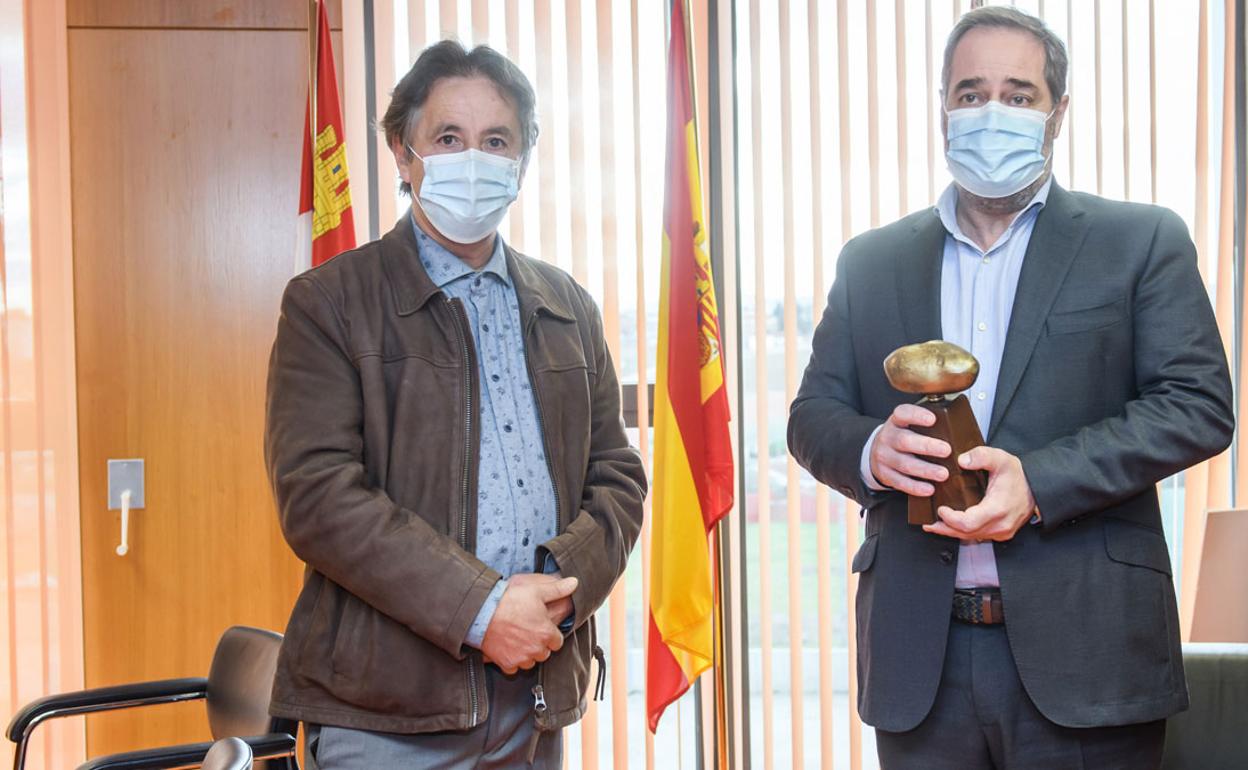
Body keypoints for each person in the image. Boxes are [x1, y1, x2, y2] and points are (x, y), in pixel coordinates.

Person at [788, 7, 1233, 769]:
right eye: (970, 92)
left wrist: (1039, 483)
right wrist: (869, 450)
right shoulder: (872, 261)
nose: (992, 112)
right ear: (942, 109)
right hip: (918, 661)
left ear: (1059, 113)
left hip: (1091, 657)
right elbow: (812, 417)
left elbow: (1197, 407)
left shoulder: (1140, 240)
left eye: (1019, 94)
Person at [264, 40, 646, 769]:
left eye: (495, 141)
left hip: (538, 694)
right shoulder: (329, 305)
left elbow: (618, 476)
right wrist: (482, 610)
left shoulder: (567, 305)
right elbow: (319, 497)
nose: (473, 158)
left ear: (522, 163)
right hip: (387, 713)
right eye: (448, 138)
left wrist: (562, 594)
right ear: (404, 156)